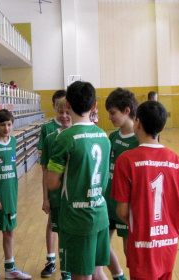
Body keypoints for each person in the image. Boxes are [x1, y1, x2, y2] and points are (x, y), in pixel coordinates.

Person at [112, 101, 179, 280]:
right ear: (162, 128)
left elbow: (122, 210)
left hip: (142, 243)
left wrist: (140, 224)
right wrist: (170, 227)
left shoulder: (126, 160)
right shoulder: (175, 160)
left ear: (138, 123)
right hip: (168, 244)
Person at [47, 81, 110, 280]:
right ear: (94, 106)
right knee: (98, 271)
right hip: (100, 213)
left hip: (77, 218)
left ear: (67, 104)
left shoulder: (64, 138)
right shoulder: (103, 136)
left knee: (80, 276)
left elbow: (52, 183)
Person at [0, 109, 32, 280]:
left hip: (10, 195)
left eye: (9, 124)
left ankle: (10, 269)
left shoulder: (12, 141)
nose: (6, 128)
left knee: (10, 231)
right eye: (2, 124)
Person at [104, 88, 139, 280]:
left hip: (127, 206)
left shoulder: (138, 141)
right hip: (108, 201)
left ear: (126, 111)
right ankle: (118, 276)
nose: (109, 117)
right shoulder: (112, 137)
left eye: (112, 113)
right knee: (101, 244)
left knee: (129, 252)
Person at [40, 98, 72, 279]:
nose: (64, 116)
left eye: (68, 112)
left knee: (68, 231)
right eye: (61, 112)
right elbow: (45, 170)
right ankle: (51, 260)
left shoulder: (78, 136)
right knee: (53, 223)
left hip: (72, 194)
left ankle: (67, 266)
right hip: (55, 194)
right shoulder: (51, 138)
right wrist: (45, 198)